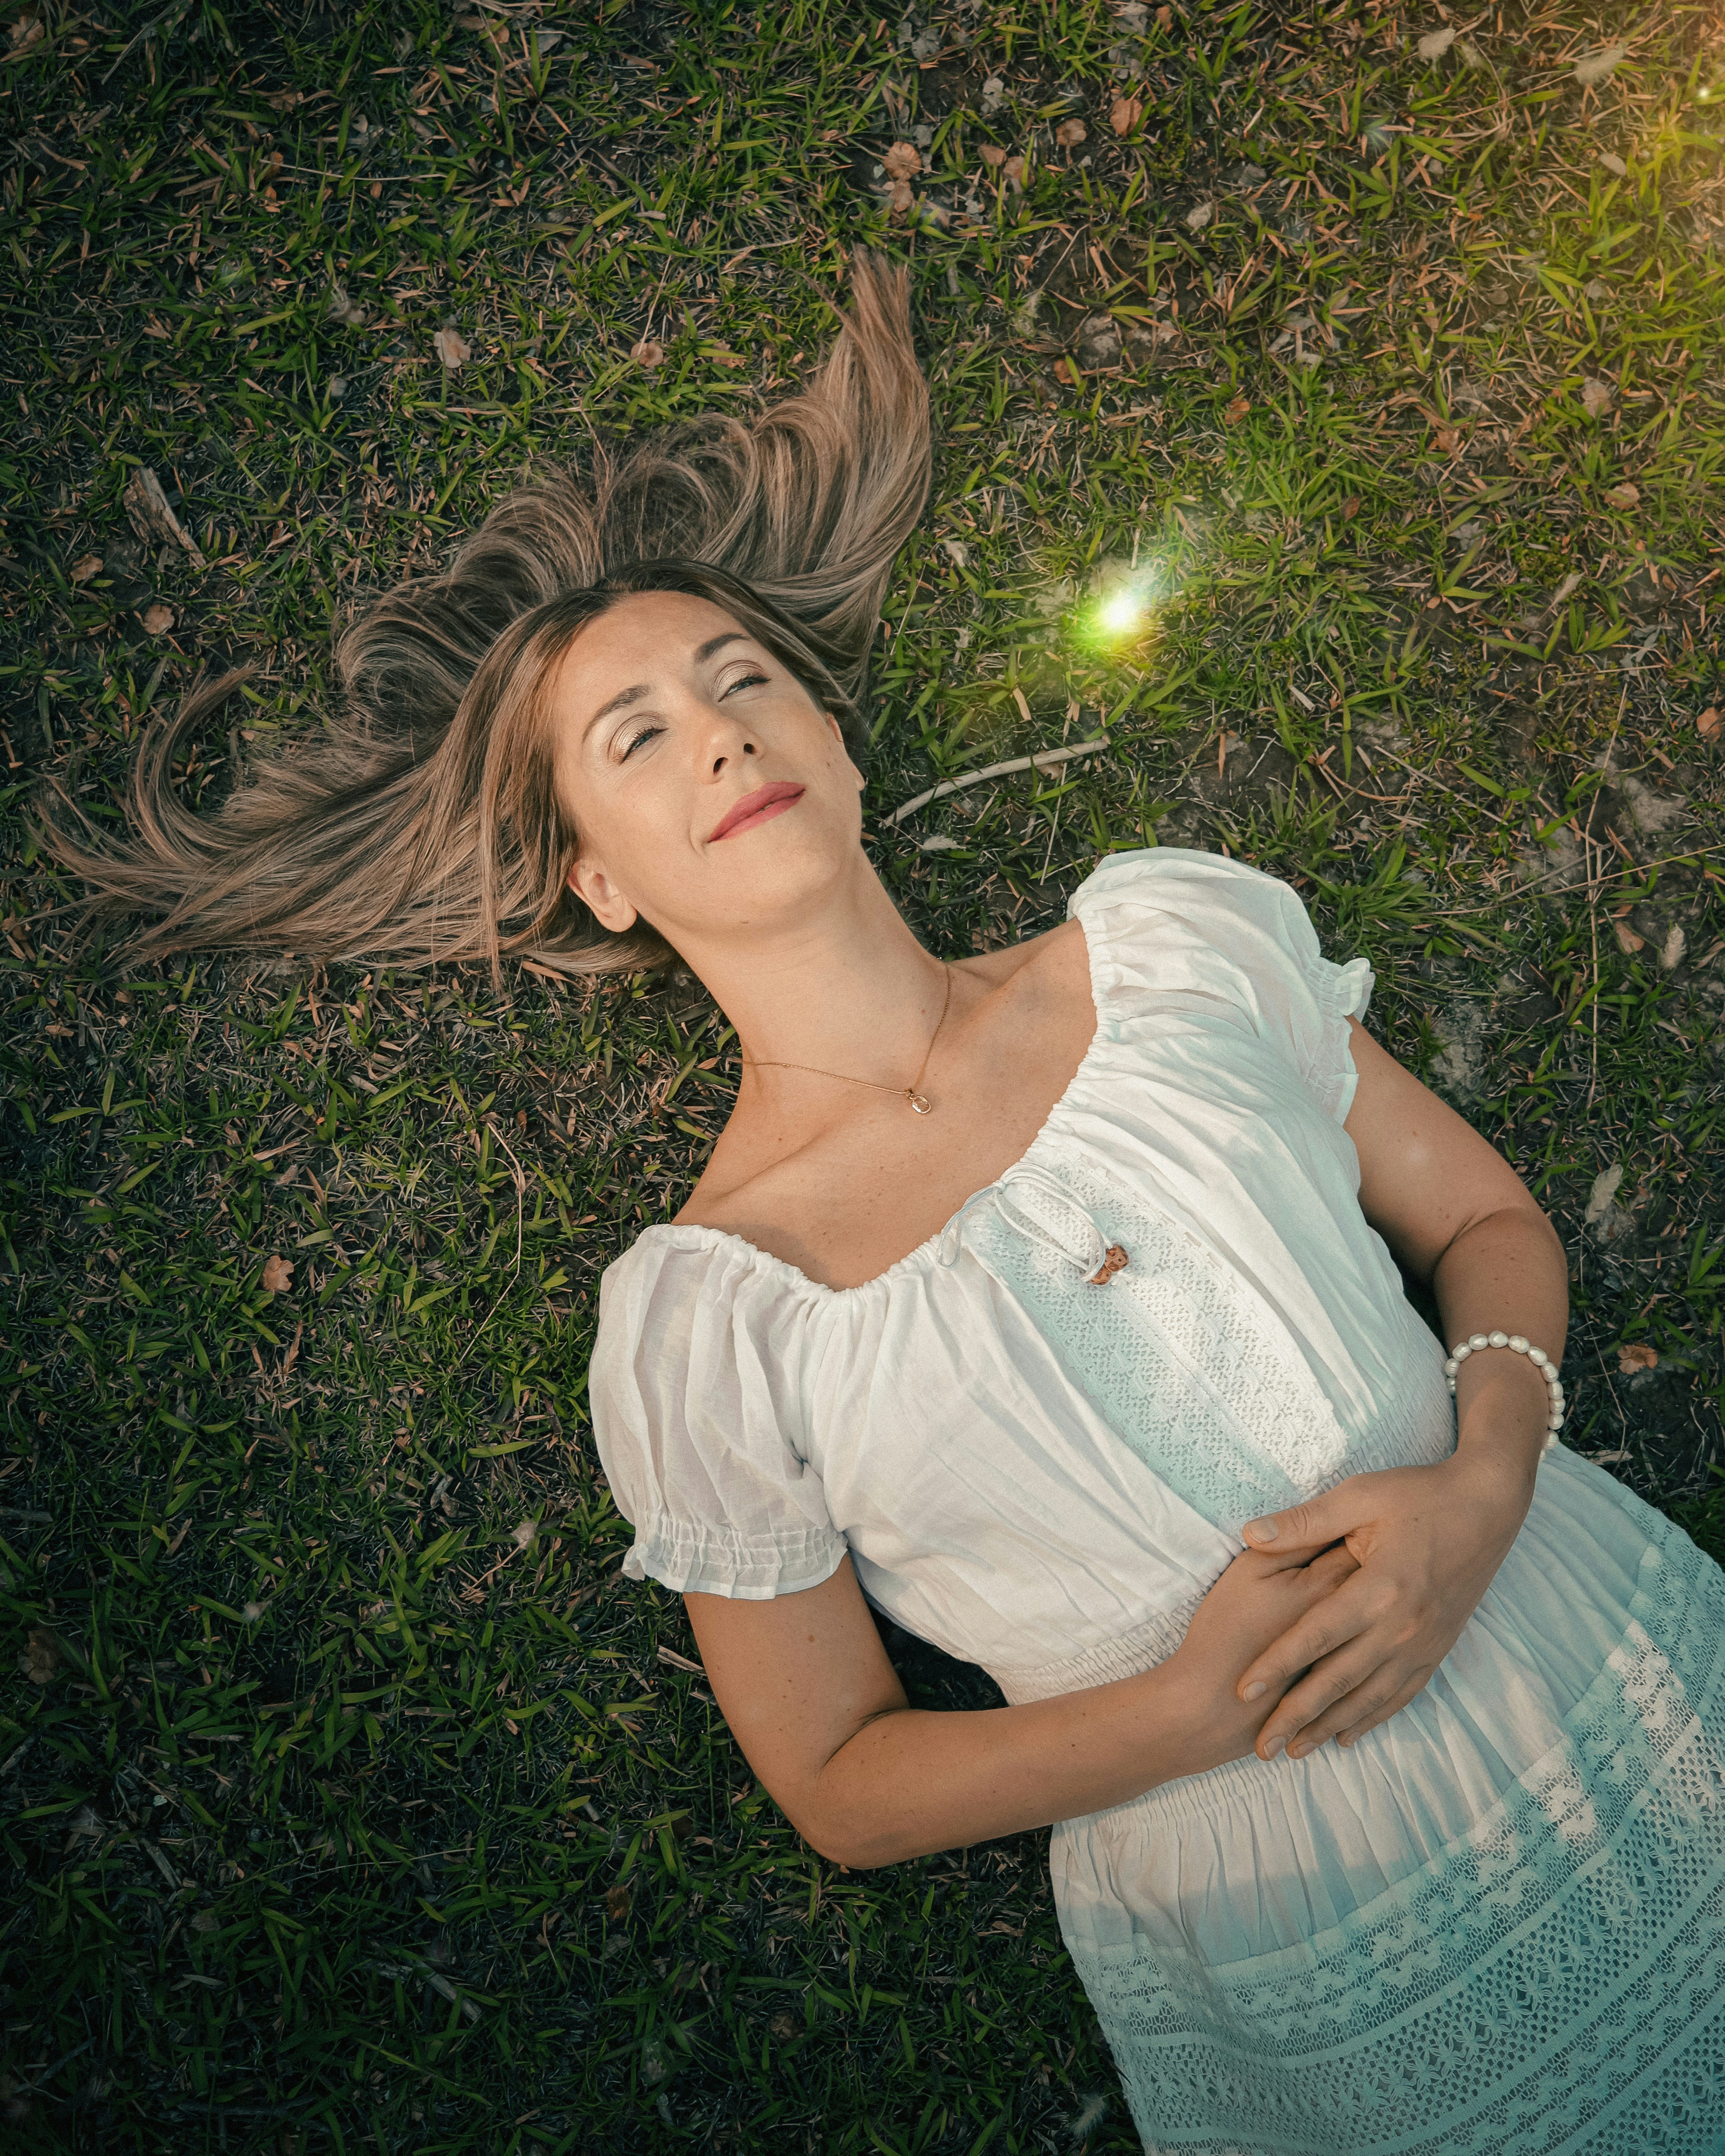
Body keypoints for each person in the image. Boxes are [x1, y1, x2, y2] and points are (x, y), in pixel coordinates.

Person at [44, 260, 1725, 2153]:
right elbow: (842, 1778)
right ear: (597, 882)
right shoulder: (710, 1321)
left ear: (836, 741)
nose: (717, 734)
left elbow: (1488, 1224)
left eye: (741, 680)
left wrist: (1483, 1477)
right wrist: (1193, 1704)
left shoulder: (1163, 946)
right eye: (636, 738)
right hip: (1299, 1919)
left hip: (1614, 1670)